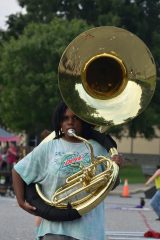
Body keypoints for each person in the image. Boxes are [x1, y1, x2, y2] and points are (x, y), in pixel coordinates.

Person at [12, 101, 123, 240]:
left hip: (89, 231)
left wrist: (117, 168)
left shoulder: (97, 147)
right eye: (65, 118)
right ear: (59, 123)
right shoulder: (48, 147)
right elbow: (18, 170)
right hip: (54, 230)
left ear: (83, 121)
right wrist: (21, 201)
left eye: (75, 118)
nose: (70, 122)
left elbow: (111, 184)